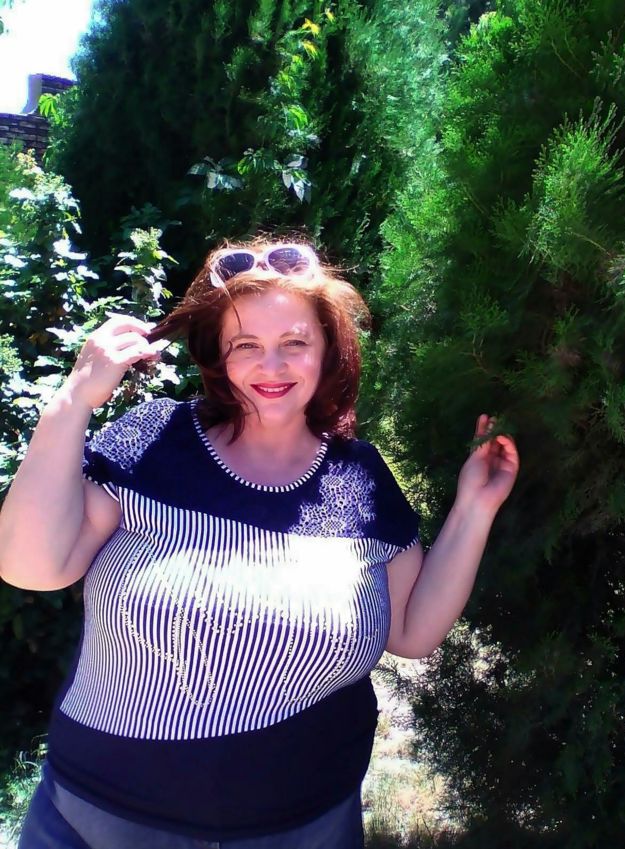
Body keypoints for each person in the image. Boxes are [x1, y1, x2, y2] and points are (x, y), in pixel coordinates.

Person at [0, 238, 519, 849]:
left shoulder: (360, 477)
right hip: (99, 817)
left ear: (328, 351)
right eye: (246, 345)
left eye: (294, 343)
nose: (271, 366)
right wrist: (73, 401)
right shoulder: (156, 441)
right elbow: (32, 566)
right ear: (219, 356)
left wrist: (475, 507)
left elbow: (412, 632)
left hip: (306, 825)